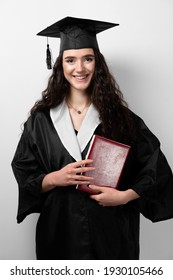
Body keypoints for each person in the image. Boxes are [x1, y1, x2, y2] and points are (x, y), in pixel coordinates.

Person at [11, 16, 173, 260]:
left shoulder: (121, 118)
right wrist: (55, 178)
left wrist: (124, 196)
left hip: (112, 234)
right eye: (70, 60)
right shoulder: (41, 121)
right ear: (60, 65)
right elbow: (25, 175)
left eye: (88, 59)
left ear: (97, 64)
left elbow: (155, 168)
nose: (80, 68)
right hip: (58, 234)